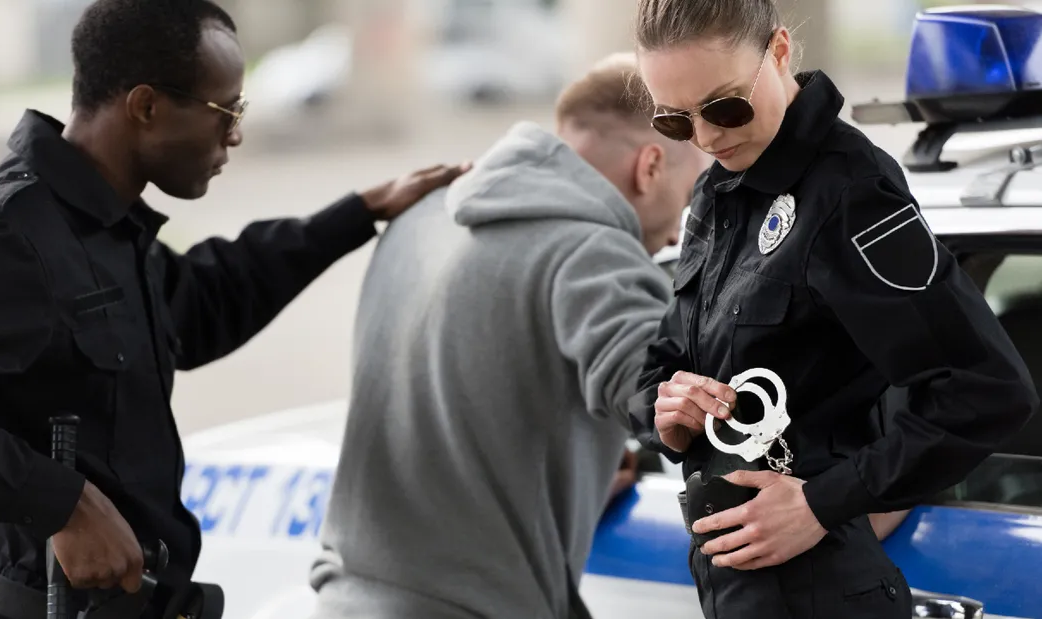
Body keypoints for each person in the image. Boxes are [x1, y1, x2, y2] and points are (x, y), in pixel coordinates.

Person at [0, 1, 467, 618]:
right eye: (226, 110)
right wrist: (61, 502)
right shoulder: (7, 234)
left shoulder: (104, 229)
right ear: (146, 107)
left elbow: (204, 301)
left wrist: (357, 213)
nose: (236, 134)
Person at [626, 0, 1039, 617]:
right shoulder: (720, 188)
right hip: (736, 589)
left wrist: (822, 502)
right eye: (675, 122)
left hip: (821, 592)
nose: (707, 138)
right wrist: (664, 414)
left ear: (781, 51)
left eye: (725, 106)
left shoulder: (851, 191)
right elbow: (663, 362)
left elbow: (986, 389)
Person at [308, 53, 710, 619]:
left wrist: (569, 484)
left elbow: (458, 397)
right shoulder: (590, 251)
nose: (677, 230)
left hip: (343, 598)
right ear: (649, 167)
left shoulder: (421, 215)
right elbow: (668, 403)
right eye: (692, 195)